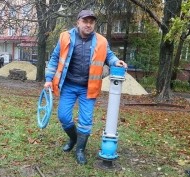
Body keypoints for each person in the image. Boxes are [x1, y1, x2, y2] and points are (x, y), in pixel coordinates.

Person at [44, 9, 127, 165]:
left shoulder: (101, 41)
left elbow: (109, 55)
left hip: (88, 88)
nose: (88, 25)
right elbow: (55, 58)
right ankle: (74, 139)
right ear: (78, 22)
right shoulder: (65, 37)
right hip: (68, 85)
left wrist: (116, 61)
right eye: (85, 21)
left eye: (91, 22)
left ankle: (80, 149)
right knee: (63, 116)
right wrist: (49, 78)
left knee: (86, 121)